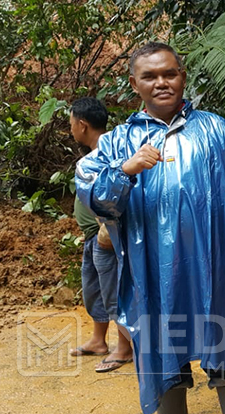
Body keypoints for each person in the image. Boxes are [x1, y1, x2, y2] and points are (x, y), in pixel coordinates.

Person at [75, 42, 225, 414]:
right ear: (134, 84)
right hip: (153, 270)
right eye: (150, 76)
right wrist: (126, 169)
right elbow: (92, 196)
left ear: (183, 75)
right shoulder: (120, 140)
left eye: (170, 73)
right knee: (162, 352)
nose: (161, 82)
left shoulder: (215, 129)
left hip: (215, 262)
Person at [68, 97, 134, 373]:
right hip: (92, 236)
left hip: (106, 237)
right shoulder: (92, 154)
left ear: (82, 125)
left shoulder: (110, 153)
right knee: (94, 289)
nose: (70, 129)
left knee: (114, 293)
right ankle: (98, 340)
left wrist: (107, 229)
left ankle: (125, 348)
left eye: (71, 123)